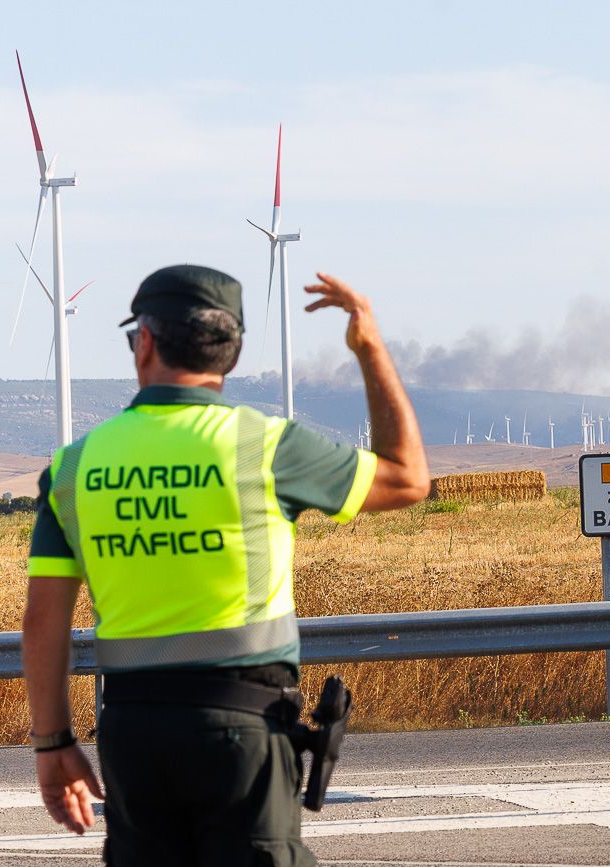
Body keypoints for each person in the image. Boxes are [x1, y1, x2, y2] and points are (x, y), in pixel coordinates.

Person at [22, 265, 429, 865]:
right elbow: (408, 478)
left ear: (147, 342)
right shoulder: (265, 446)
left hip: (132, 734)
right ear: (230, 355)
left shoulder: (74, 468)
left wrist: (53, 742)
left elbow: (42, 621)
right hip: (244, 731)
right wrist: (369, 347)